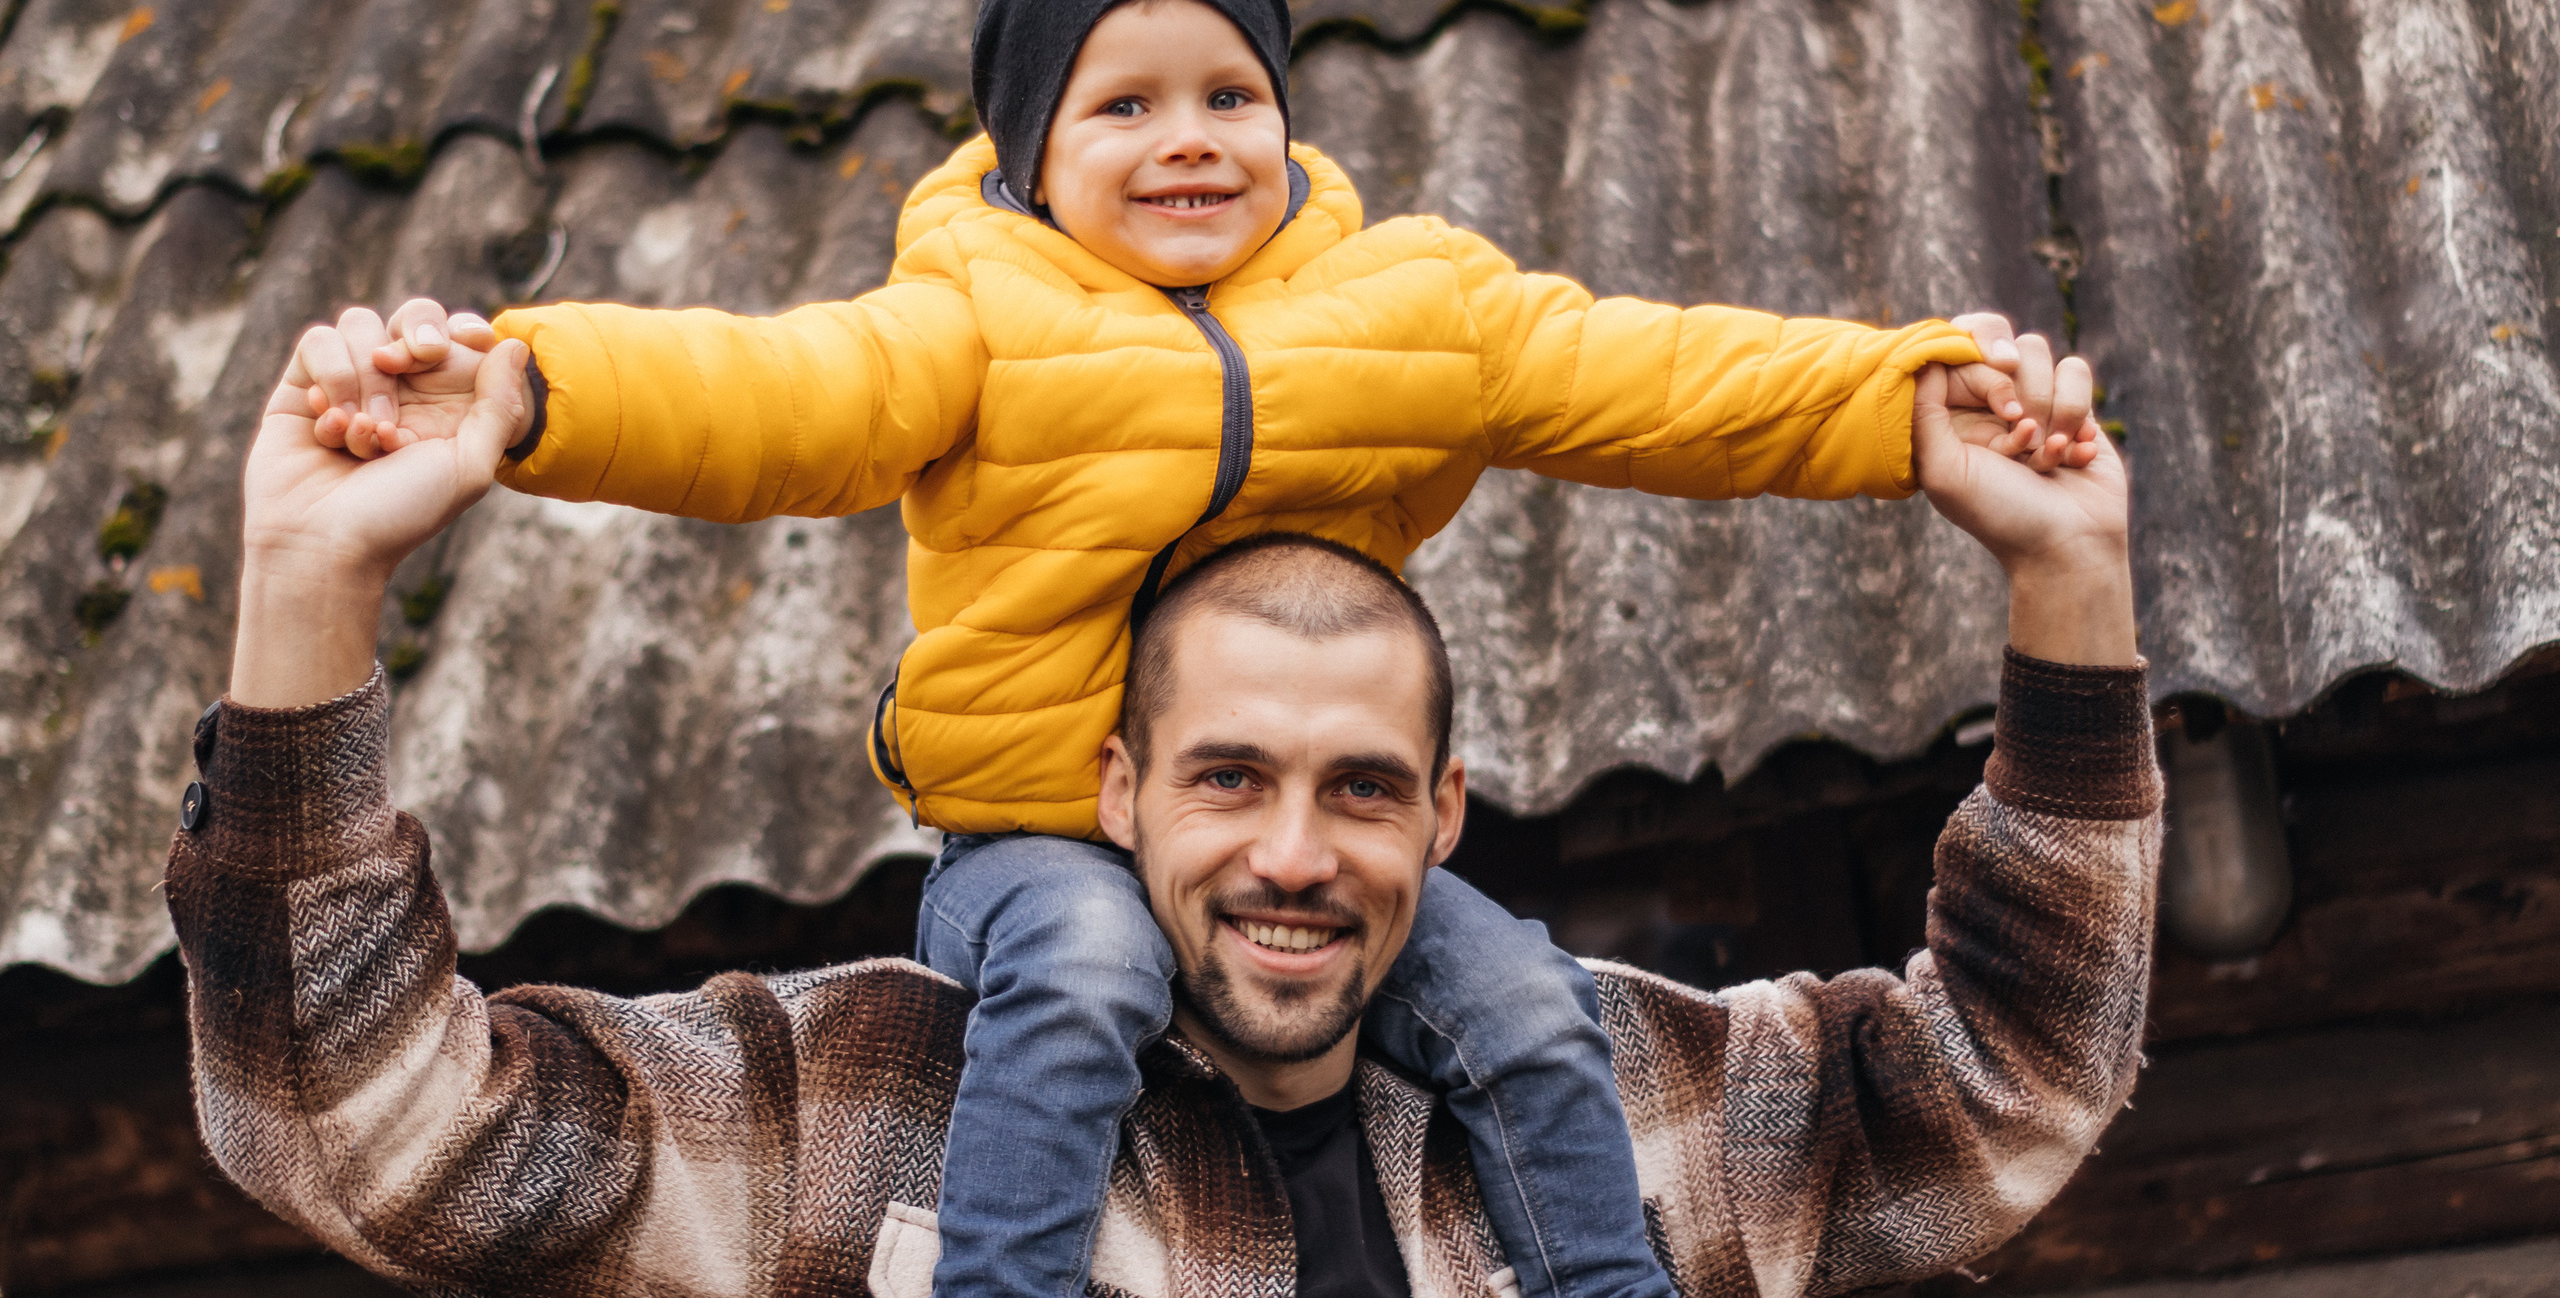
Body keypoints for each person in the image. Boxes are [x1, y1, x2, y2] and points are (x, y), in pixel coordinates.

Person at [278, 0, 2103, 1298]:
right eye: (1124, 104)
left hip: (1352, 923)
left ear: (1436, 799)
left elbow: (1664, 380)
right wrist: (530, 394)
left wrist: (1906, 406)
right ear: (1022, 156)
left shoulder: (1405, 304)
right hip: (1027, 838)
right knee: (1084, 968)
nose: (1192, 138)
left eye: (1233, 94)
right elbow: (774, 397)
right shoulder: (973, 321)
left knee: (1533, 1009)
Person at [174, 319, 2154, 1297]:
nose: (1293, 849)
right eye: (1226, 775)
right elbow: (361, 1128)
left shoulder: (1621, 1100)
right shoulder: (867, 1099)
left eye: (1360, 787)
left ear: (1444, 811)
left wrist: (2062, 581)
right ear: (1112, 787)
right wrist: (308, 587)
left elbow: (2001, 1091)